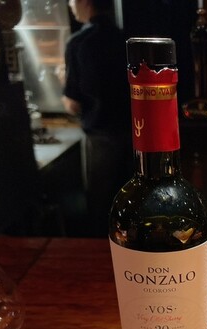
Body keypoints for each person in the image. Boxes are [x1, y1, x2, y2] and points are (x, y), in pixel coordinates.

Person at [62, 0, 132, 236]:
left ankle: (101, 251)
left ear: (85, 2)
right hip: (132, 133)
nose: (70, 5)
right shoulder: (124, 39)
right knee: (129, 202)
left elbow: (73, 104)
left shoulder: (78, 43)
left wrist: (63, 83)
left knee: (100, 206)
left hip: (100, 136)